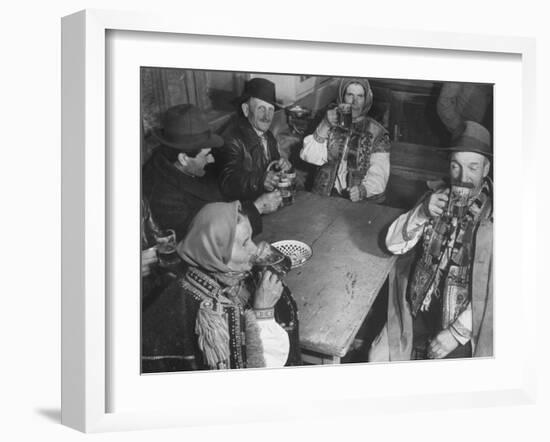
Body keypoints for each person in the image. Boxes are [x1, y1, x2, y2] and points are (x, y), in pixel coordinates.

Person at [369, 121, 493, 361]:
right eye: (455, 166)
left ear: (486, 169)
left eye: (472, 167)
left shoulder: (495, 216)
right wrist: (423, 212)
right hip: (418, 309)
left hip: (468, 322)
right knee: (377, 358)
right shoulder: (436, 197)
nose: (462, 177)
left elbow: (504, 289)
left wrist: (455, 334)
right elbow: (392, 244)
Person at [142, 201, 301, 372]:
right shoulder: (209, 313)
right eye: (244, 243)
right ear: (217, 253)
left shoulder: (225, 273)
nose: (254, 249)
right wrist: (263, 311)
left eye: (251, 238)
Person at [142, 104, 281, 242]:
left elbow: (226, 192)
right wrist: (257, 208)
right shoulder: (161, 194)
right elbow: (204, 240)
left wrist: (261, 181)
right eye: (206, 154)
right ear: (183, 158)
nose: (212, 159)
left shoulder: (186, 164)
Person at [300, 78, 391, 202]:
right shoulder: (329, 122)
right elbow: (309, 156)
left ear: (366, 100)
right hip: (325, 197)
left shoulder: (377, 133)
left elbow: (379, 174)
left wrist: (363, 190)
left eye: (360, 96)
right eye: (350, 95)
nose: (355, 102)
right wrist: (325, 125)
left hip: (359, 202)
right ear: (342, 97)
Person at [214, 77, 291, 201]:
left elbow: (272, 169)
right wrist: (260, 180)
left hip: (267, 203)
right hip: (243, 211)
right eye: (261, 109)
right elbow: (228, 181)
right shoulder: (231, 139)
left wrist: (282, 166)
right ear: (246, 110)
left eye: (270, 110)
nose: (267, 117)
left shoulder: (268, 136)